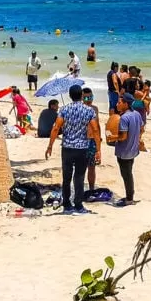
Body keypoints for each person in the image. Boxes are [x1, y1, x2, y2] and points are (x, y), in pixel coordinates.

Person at [45, 84, 100, 212]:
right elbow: (95, 129)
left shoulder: (64, 110)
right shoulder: (89, 110)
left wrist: (50, 146)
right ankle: (78, 204)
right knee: (79, 177)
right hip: (82, 147)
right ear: (81, 95)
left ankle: (67, 203)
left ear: (70, 96)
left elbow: (56, 128)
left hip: (67, 147)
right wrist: (98, 149)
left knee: (66, 177)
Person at [114, 93, 142, 206]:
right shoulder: (137, 114)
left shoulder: (124, 118)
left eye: (119, 102)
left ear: (126, 104)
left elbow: (123, 137)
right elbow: (141, 128)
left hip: (124, 151)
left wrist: (112, 137)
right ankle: (130, 195)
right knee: (129, 173)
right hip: (133, 150)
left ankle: (129, 199)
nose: (117, 104)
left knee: (126, 175)